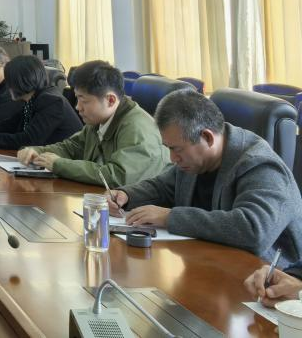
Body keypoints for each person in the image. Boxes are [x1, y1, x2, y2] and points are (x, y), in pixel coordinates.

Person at [108, 90, 302, 262]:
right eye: (169, 148)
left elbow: (253, 230)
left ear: (207, 137)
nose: (172, 158)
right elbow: (163, 187)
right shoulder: (195, 159)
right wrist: (127, 195)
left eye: (177, 149)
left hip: (268, 276)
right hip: (211, 260)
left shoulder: (260, 165)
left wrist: (170, 217)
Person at [17, 60, 167, 186]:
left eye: (84, 100)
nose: (77, 107)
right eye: (77, 98)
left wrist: (58, 164)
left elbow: (118, 176)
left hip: (145, 207)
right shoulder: (99, 120)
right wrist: (36, 151)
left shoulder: (136, 128)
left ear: (110, 100)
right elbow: (71, 147)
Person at [0, 55, 82, 148]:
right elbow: (11, 124)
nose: (7, 85)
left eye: (9, 80)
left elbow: (28, 140)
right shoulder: (34, 97)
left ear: (21, 81)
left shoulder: (51, 101)